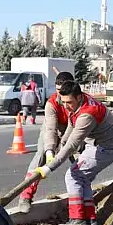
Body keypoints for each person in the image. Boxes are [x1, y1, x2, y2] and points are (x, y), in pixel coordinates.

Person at [33, 81, 113, 225]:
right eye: (64, 102)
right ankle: (90, 220)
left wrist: (50, 166)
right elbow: (71, 124)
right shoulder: (77, 103)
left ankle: (77, 220)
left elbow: (72, 145)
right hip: (97, 144)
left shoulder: (88, 114)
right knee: (83, 177)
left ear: (79, 97)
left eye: (70, 102)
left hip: (107, 147)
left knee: (73, 175)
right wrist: (59, 145)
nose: (67, 106)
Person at [17, 71, 76, 212]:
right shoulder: (52, 103)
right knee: (41, 156)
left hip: (74, 130)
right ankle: (25, 196)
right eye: (57, 91)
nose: (61, 96)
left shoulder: (79, 101)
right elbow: (50, 128)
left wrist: (63, 147)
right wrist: (50, 150)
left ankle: (82, 198)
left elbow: (75, 128)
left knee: (81, 159)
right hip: (53, 126)